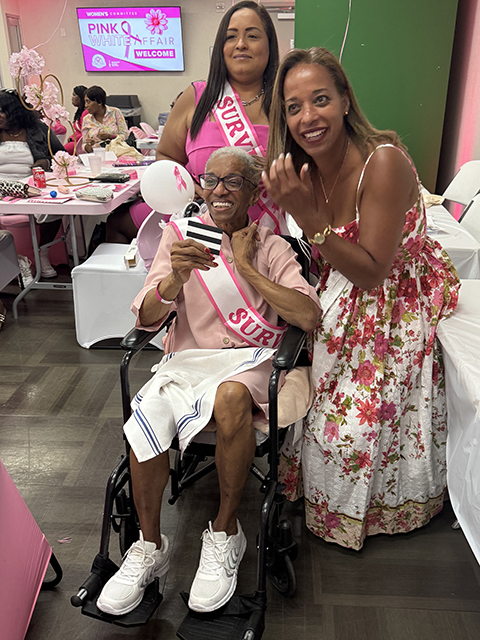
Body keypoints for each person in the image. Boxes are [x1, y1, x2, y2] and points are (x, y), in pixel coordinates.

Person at [96, 147, 321, 616]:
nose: (219, 190)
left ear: (253, 193)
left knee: (230, 396)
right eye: (211, 180)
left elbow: (307, 315)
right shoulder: (178, 238)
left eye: (233, 181)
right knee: (148, 405)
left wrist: (249, 269)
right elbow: (145, 317)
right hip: (190, 360)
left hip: (251, 362)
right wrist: (174, 279)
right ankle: (149, 546)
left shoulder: (272, 246)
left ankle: (225, 532)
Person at [262, 48, 460, 550]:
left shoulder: (383, 161)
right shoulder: (305, 168)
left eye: (321, 99)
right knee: (315, 413)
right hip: (343, 291)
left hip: (395, 301)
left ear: (346, 100)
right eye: (293, 107)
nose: (308, 117)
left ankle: (383, 507)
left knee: (349, 430)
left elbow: (373, 272)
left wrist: (309, 219)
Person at [155, 0, 286, 234]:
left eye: (252, 36)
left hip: (270, 241)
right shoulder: (195, 97)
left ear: (269, 45)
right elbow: (166, 157)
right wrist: (192, 189)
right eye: (231, 36)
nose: (241, 44)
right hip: (201, 237)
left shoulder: (286, 102)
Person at [0, 88, 66, 279]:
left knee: (53, 210)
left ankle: (42, 254)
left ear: (14, 112)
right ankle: (14, 263)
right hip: (2, 191)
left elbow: (61, 156)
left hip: (31, 189)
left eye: (2, 111)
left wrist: (45, 162)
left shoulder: (38, 130)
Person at [82, 85, 128, 153]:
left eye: (88, 102)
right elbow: (84, 144)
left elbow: (125, 136)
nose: (86, 106)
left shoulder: (115, 113)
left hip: (117, 152)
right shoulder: (86, 119)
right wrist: (88, 146)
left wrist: (111, 136)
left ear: (99, 102)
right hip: (97, 154)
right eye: (85, 102)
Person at [64, 85, 87, 155]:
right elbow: (77, 131)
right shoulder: (79, 112)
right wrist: (71, 137)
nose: (72, 98)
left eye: (74, 95)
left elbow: (85, 133)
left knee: (63, 151)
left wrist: (73, 139)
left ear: (81, 97)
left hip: (83, 143)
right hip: (76, 141)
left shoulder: (86, 113)